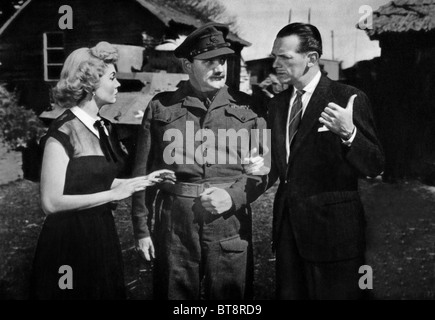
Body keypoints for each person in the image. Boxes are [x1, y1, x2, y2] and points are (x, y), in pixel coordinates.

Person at [131, 22, 267, 300]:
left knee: (231, 299)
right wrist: (141, 229)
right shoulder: (161, 107)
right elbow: (143, 174)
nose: (219, 69)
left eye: (223, 61)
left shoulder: (250, 108)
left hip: (230, 221)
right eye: (208, 61)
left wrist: (233, 197)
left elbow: (261, 169)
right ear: (187, 65)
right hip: (175, 223)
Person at [29, 41, 173, 300]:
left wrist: (142, 181)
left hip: (101, 234)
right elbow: (50, 202)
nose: (118, 84)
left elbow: (98, 180)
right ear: (90, 83)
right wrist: (114, 194)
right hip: (68, 243)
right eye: (112, 77)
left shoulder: (104, 127)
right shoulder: (63, 132)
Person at [252, 23, 384, 299]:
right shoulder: (277, 104)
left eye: (284, 57)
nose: (275, 64)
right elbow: (275, 165)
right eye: (274, 56)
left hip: (336, 236)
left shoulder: (347, 98)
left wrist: (350, 133)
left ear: (311, 58)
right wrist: (254, 164)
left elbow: (374, 165)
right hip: (289, 233)